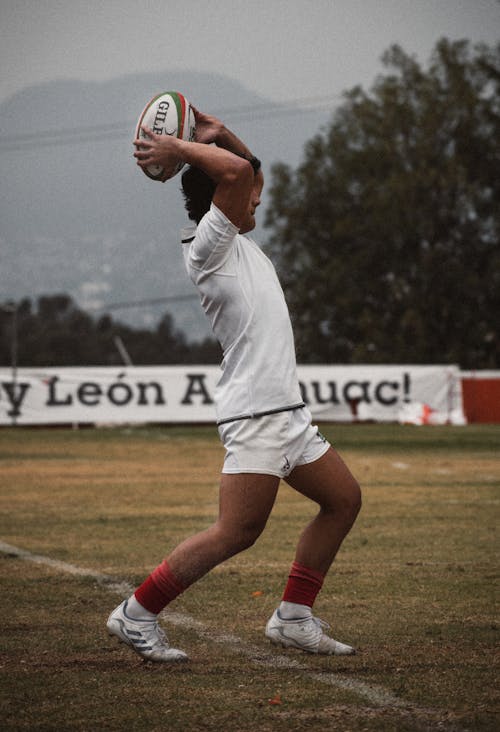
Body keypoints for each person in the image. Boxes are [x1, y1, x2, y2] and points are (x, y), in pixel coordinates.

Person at [106, 106, 361, 662]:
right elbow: (241, 178)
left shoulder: (235, 233)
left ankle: (294, 618)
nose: (259, 200)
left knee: (343, 501)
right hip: (257, 414)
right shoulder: (208, 245)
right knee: (236, 531)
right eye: (246, 194)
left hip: (285, 413)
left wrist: (223, 135)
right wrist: (181, 152)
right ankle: (136, 613)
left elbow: (250, 172)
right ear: (221, 196)